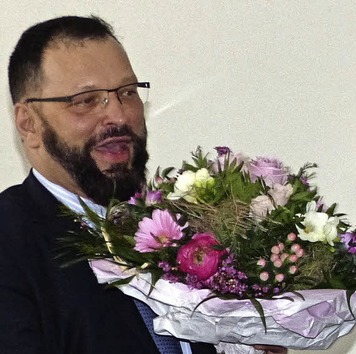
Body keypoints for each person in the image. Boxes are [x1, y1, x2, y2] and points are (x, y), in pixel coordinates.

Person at [0, 15, 285, 354]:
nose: (119, 116)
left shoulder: (183, 226)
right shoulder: (10, 242)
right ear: (28, 123)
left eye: (128, 92)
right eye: (86, 100)